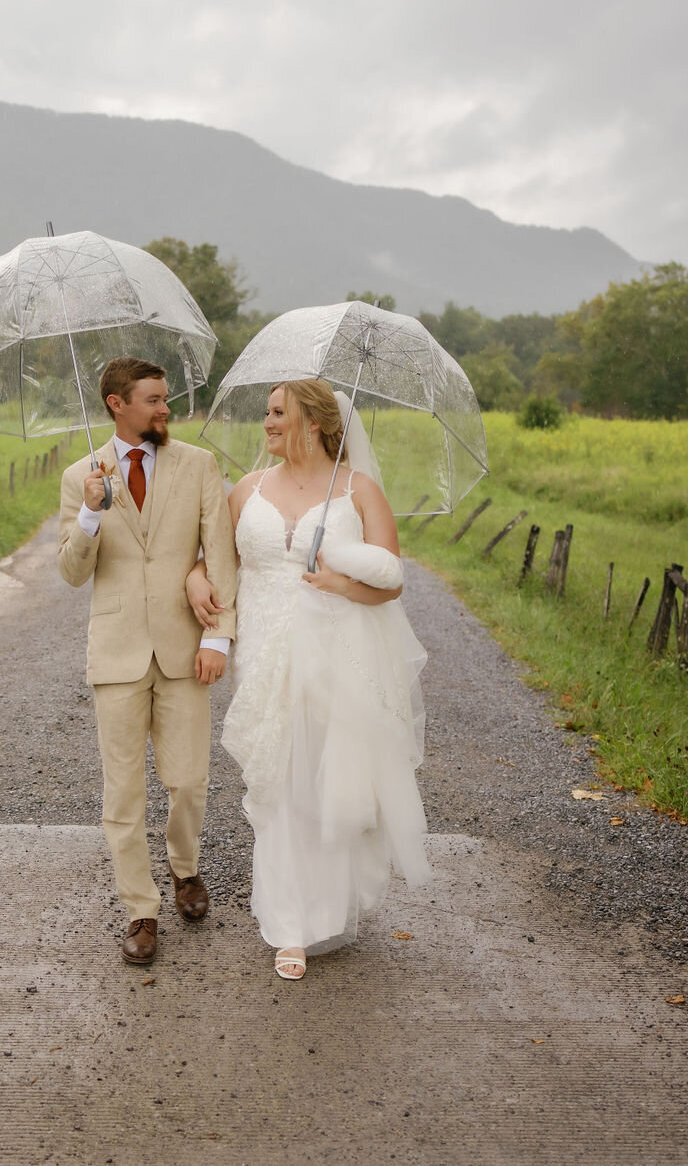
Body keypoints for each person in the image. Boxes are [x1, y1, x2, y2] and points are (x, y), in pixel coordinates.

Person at [187, 378, 429, 980]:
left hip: (340, 650)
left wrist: (341, 584)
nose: (266, 423)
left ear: (314, 423)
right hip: (267, 652)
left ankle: (326, 910)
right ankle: (287, 924)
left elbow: (392, 580)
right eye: (266, 413)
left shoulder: (359, 490)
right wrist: (196, 578)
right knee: (280, 783)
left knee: (328, 782)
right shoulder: (247, 489)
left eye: (276, 413)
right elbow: (215, 559)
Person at [58, 357, 237, 966]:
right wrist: (89, 513)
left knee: (188, 780)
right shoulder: (81, 474)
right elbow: (71, 572)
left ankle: (185, 866)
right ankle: (141, 907)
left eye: (166, 399)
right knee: (123, 793)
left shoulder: (199, 465)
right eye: (155, 400)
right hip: (116, 654)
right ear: (117, 403)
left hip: (187, 646)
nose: (166, 409)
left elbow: (220, 554)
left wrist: (220, 636)